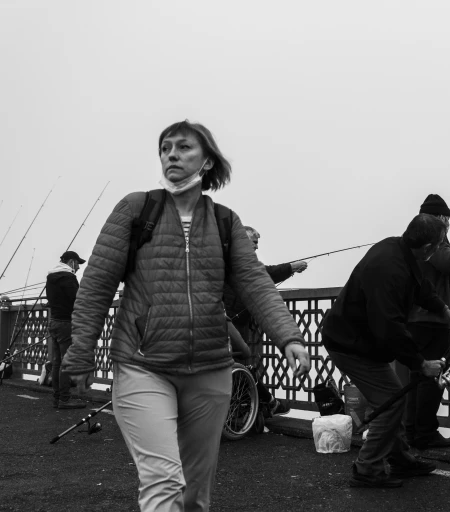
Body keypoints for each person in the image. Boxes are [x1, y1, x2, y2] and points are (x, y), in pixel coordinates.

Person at [61, 120, 311, 512]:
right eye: (165, 148)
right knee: (163, 481)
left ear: (207, 160)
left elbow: (255, 283)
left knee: (195, 494)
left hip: (211, 368)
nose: (171, 155)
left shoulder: (226, 221)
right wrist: (81, 351)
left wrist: (290, 337)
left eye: (183, 147)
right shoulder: (135, 209)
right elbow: (96, 285)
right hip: (143, 366)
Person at [322, 214, 450, 488]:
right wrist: (421, 364)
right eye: (439, 245)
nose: (438, 250)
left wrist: (445, 311)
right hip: (348, 343)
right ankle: (367, 469)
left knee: (391, 396)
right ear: (428, 248)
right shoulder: (389, 269)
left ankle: (399, 459)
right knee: (390, 400)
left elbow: (422, 289)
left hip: (363, 341)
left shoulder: (398, 249)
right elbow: (389, 327)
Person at [404, 194, 450, 449]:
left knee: (416, 376)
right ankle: (425, 432)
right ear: (441, 217)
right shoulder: (433, 235)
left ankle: (411, 431)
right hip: (430, 320)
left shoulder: (414, 235)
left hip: (416, 319)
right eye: (447, 219)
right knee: (434, 376)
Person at [223, 226, 308, 418]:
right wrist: (291, 267)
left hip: (234, 321)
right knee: (242, 364)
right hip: (230, 323)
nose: (255, 248)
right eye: (253, 244)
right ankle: (262, 404)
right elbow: (264, 274)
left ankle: (250, 407)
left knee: (238, 366)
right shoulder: (236, 260)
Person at [45, 251, 87, 409]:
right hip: (65, 323)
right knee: (65, 362)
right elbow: (76, 299)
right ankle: (65, 399)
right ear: (71, 262)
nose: (78, 267)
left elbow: (54, 298)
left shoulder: (51, 277)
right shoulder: (68, 277)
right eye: (77, 264)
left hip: (54, 322)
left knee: (57, 363)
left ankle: (57, 397)